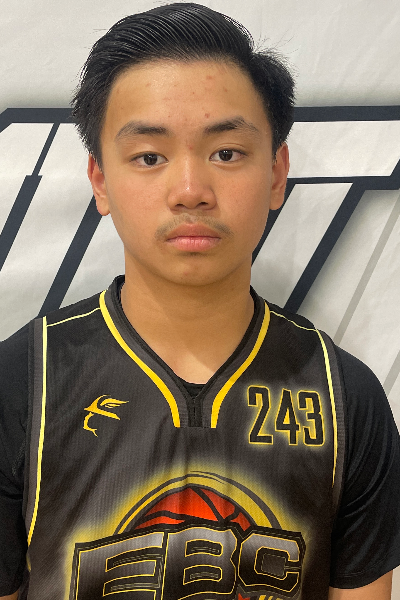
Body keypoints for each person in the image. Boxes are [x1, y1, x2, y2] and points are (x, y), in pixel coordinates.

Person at [0, 3, 399, 599]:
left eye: (226, 153)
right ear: (100, 180)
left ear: (276, 173)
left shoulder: (346, 400)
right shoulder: (21, 384)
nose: (190, 191)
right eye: (150, 157)